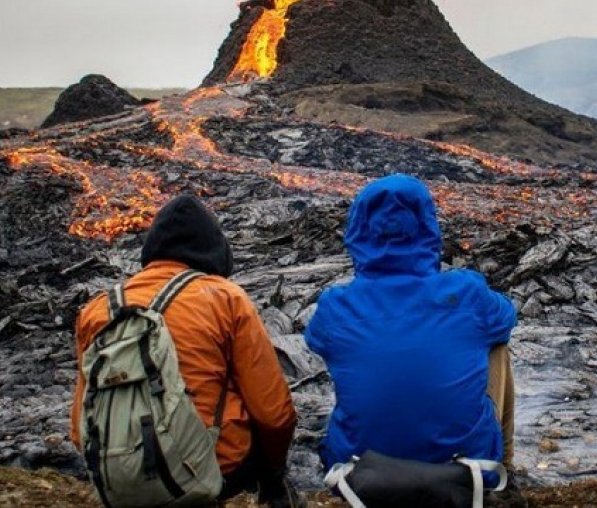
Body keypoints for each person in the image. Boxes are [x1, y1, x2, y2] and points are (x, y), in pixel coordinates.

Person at [70, 194, 300, 506]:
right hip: (210, 468)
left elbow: (78, 426)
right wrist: (274, 472)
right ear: (216, 251)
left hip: (118, 472)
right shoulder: (225, 298)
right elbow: (274, 414)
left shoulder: (98, 309)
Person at [305, 174, 518, 478]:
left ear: (358, 231)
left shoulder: (336, 306)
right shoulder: (467, 292)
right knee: (496, 342)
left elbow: (316, 340)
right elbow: (508, 316)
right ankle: (505, 468)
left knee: (356, 358)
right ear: (428, 226)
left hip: (356, 472)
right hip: (465, 472)